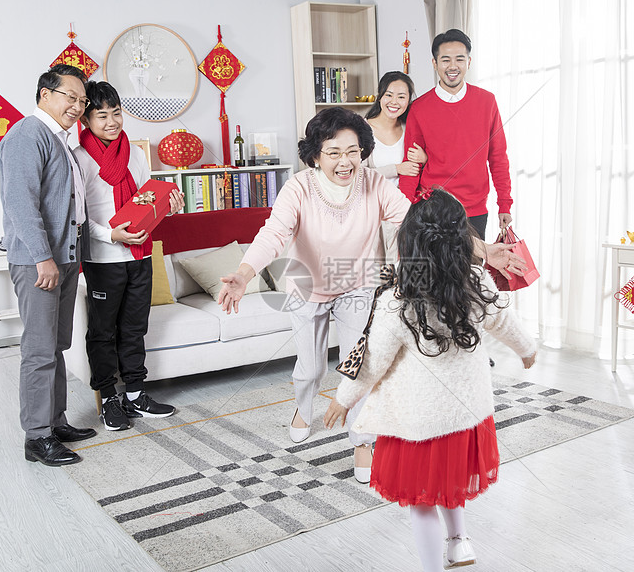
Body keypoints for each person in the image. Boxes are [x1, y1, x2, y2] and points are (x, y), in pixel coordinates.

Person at [324, 188, 537, 571]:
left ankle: (431, 567)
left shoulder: (400, 299)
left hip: (418, 424)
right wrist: (527, 350)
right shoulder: (477, 283)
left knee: (422, 502)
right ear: (462, 239)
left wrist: (344, 398)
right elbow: (505, 321)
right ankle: (459, 543)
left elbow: (371, 362)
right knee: (452, 484)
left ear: (409, 243)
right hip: (466, 416)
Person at [217, 107, 411, 483]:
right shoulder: (299, 187)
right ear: (316, 155)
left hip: (358, 285)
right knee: (311, 367)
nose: (345, 161)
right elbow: (274, 234)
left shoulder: (374, 183)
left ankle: (362, 441)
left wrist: (473, 248)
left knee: (361, 367)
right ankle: (303, 408)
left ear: (364, 151)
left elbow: (412, 220)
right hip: (308, 287)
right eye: (334, 152)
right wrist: (244, 273)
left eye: (353, 151)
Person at [0, 64, 96, 466]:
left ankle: (55, 421)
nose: (77, 106)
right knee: (39, 349)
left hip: (64, 257)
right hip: (42, 261)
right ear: (45, 95)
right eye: (69, 96)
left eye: (82, 100)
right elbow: (20, 203)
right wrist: (42, 257)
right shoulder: (28, 135)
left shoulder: (60, 140)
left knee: (56, 345)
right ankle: (37, 437)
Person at [74, 81, 183, 431]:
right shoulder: (78, 158)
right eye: (101, 115)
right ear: (87, 119)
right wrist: (110, 234)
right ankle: (108, 398)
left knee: (135, 327)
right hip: (103, 258)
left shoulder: (135, 153)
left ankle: (135, 393)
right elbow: (78, 216)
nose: (111, 121)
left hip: (139, 253)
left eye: (116, 113)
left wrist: (170, 204)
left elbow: (147, 202)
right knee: (104, 331)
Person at [398, 29, 513, 240]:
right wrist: (405, 211)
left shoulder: (487, 102)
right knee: (432, 273)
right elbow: (411, 165)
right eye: (445, 60)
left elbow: (498, 157)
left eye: (459, 59)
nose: (453, 66)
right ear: (434, 63)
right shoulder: (420, 108)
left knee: (474, 272)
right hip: (431, 209)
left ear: (469, 62)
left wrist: (504, 203)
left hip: (474, 211)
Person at [363, 71, 427, 261]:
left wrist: (424, 159)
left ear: (408, 101)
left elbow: (425, 170)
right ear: (380, 96)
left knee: (405, 267)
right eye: (389, 95)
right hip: (373, 210)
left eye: (401, 96)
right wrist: (397, 169)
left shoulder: (410, 128)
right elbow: (356, 175)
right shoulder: (362, 129)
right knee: (377, 270)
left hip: (405, 210)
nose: (394, 102)